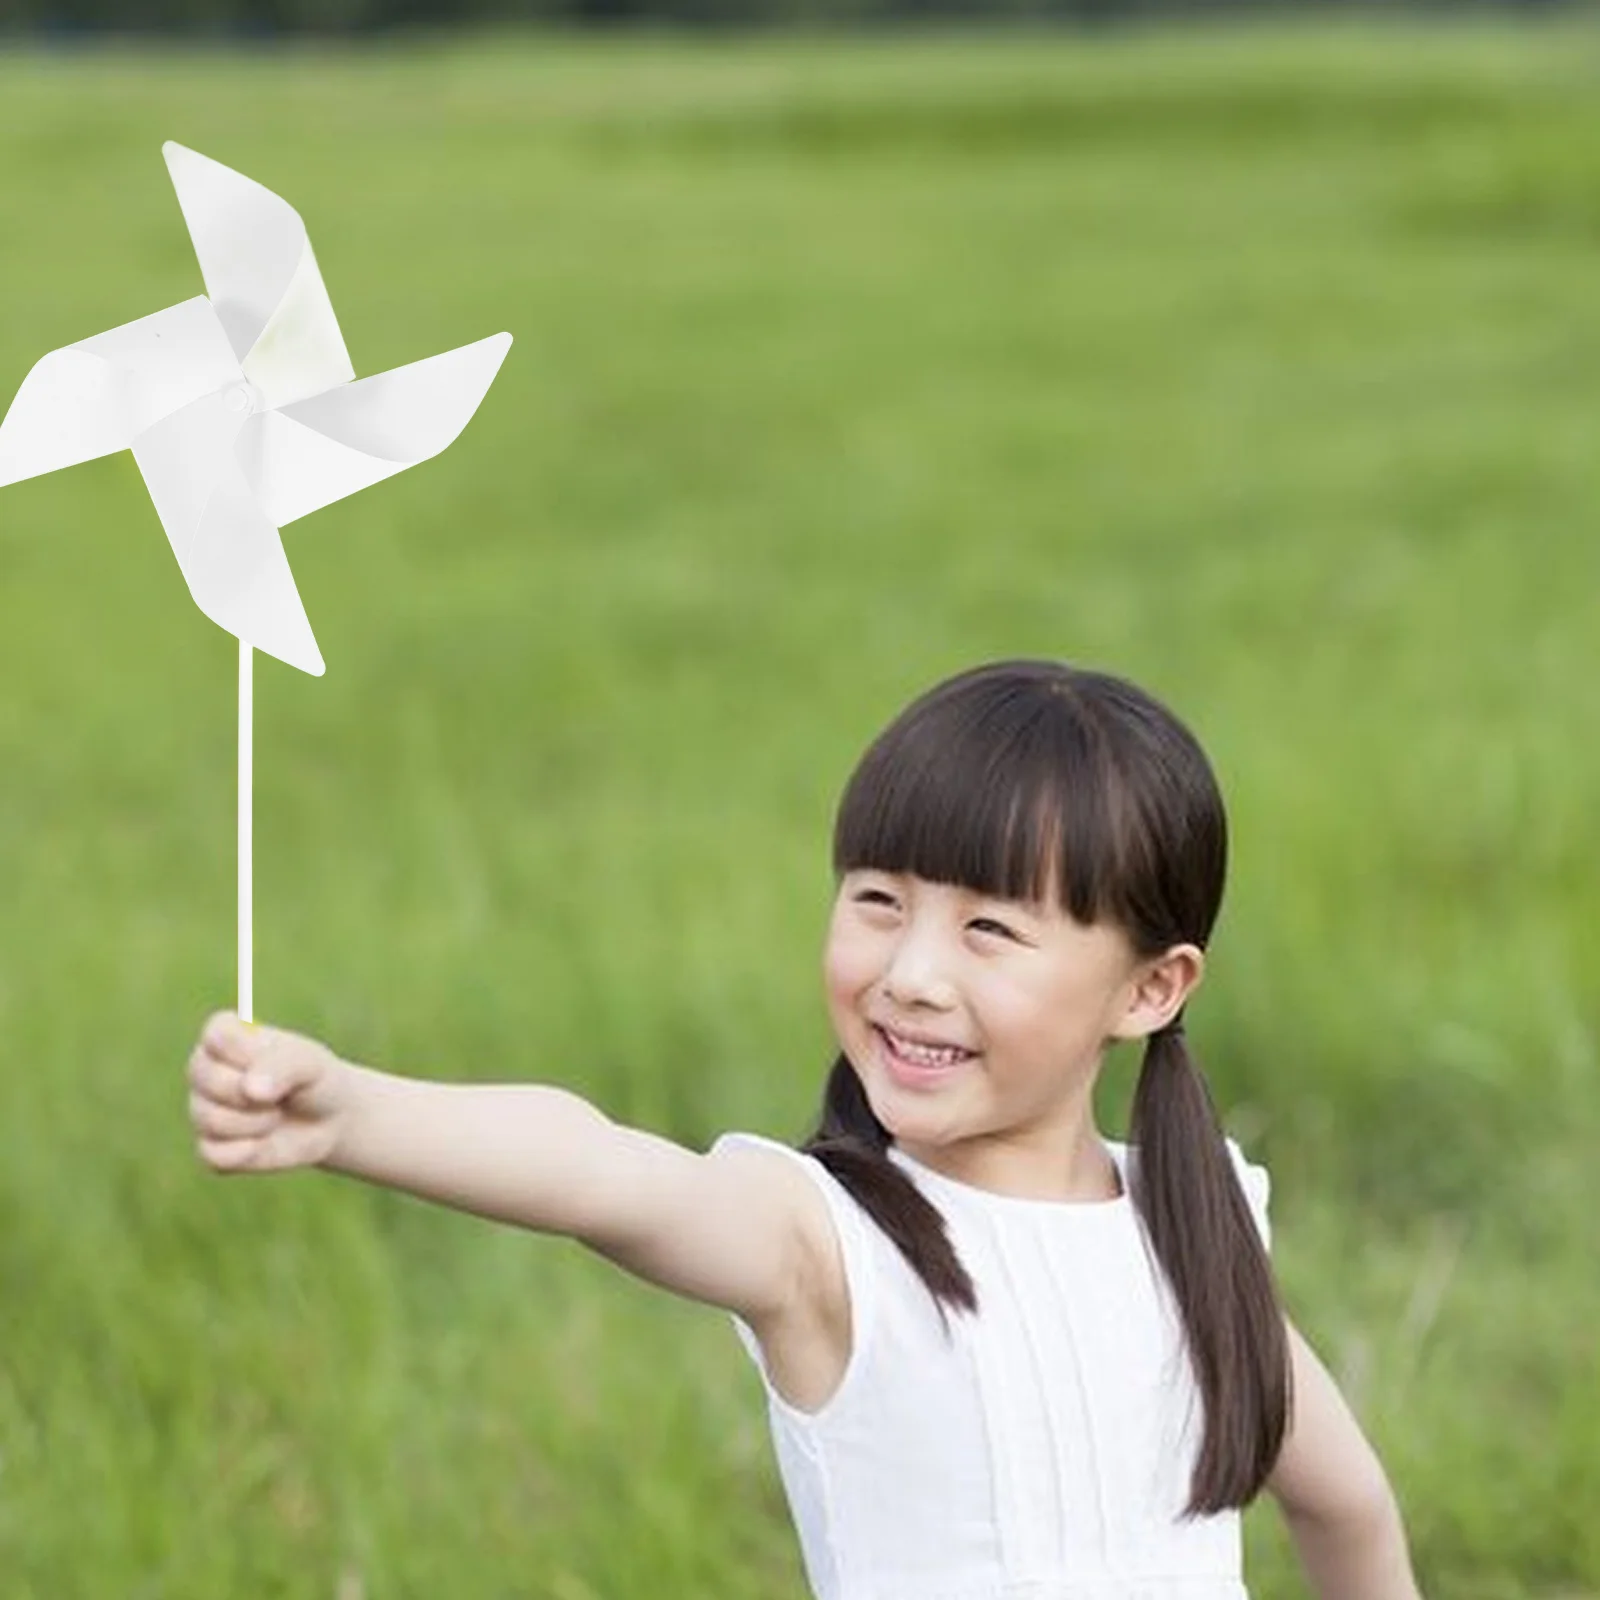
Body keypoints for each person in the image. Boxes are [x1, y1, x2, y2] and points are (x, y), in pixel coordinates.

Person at [187, 658, 1424, 1600]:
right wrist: (354, 1109)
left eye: (990, 929)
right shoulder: (825, 1241)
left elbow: (1349, 1507)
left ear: (1150, 987)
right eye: (878, 901)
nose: (912, 973)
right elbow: (605, 1171)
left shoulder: (1192, 1229)